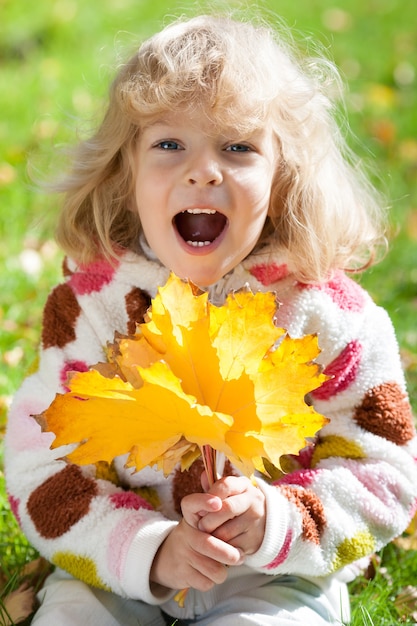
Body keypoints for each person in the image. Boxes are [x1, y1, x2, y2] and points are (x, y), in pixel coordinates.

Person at [5, 12, 417, 626]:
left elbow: (384, 474)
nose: (203, 170)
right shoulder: (92, 306)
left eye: (238, 147)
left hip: (274, 574)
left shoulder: (330, 317)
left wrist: (273, 524)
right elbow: (42, 460)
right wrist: (148, 550)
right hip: (120, 564)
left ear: (283, 179)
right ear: (127, 175)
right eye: (169, 145)